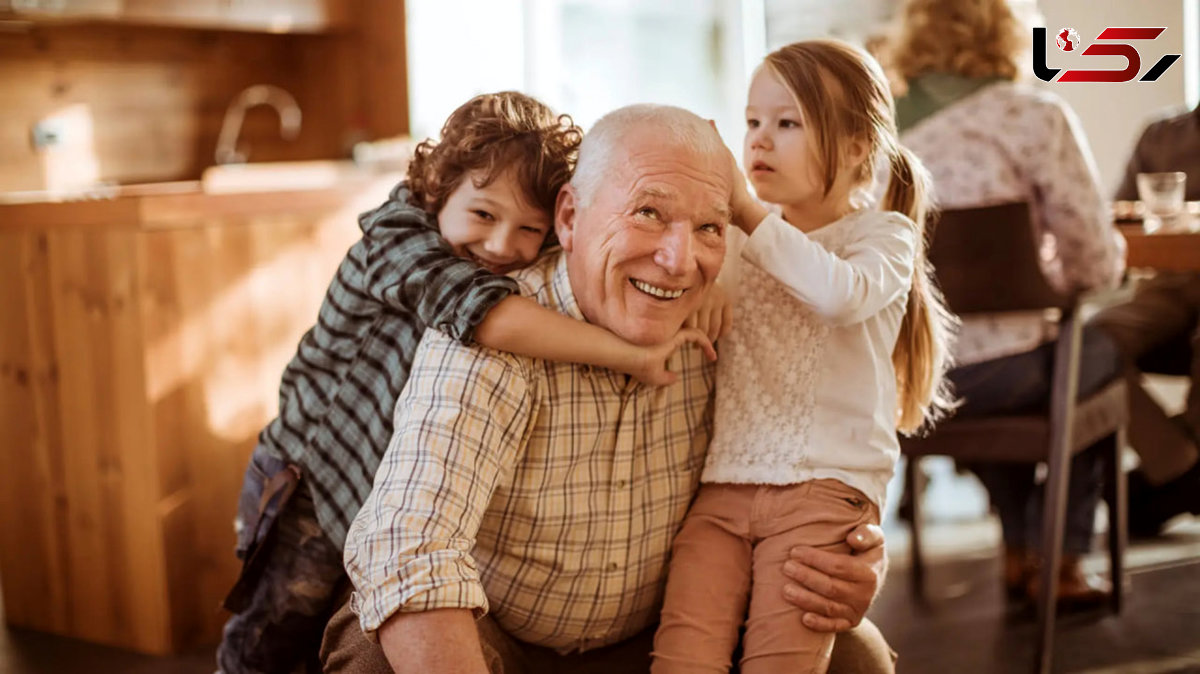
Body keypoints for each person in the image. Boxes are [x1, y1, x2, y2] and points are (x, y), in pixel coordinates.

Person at [320, 104, 895, 674]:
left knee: (854, 655)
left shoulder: (728, 321)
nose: (678, 260)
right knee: (378, 656)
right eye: (648, 213)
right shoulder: (491, 328)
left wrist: (853, 548)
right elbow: (410, 548)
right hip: (500, 637)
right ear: (568, 219)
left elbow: (819, 447)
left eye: (709, 228)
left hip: (662, 634)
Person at [217, 91, 715, 674]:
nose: (503, 245)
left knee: (330, 621)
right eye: (483, 214)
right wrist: (630, 353)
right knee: (275, 632)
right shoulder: (399, 238)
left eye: (529, 227)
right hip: (313, 472)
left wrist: (718, 275)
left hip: (377, 481)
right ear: (437, 189)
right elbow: (483, 314)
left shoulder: (521, 255)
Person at [649, 40, 954, 674]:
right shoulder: (741, 238)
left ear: (854, 148)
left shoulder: (881, 236)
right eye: (753, 121)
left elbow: (837, 296)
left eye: (787, 123)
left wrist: (749, 219)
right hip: (724, 488)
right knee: (681, 657)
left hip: (823, 492)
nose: (759, 141)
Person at [886, 0, 1126, 606]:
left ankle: (1021, 547)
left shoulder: (885, 132)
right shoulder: (1033, 117)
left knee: (1005, 376)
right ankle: (1063, 556)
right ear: (1007, 32)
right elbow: (1094, 265)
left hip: (915, 378)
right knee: (1099, 353)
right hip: (1012, 372)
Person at [1096, 103, 1200, 536]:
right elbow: (1119, 217)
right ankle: (1179, 467)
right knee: (1087, 345)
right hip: (1167, 286)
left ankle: (1174, 482)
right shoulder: (1160, 135)